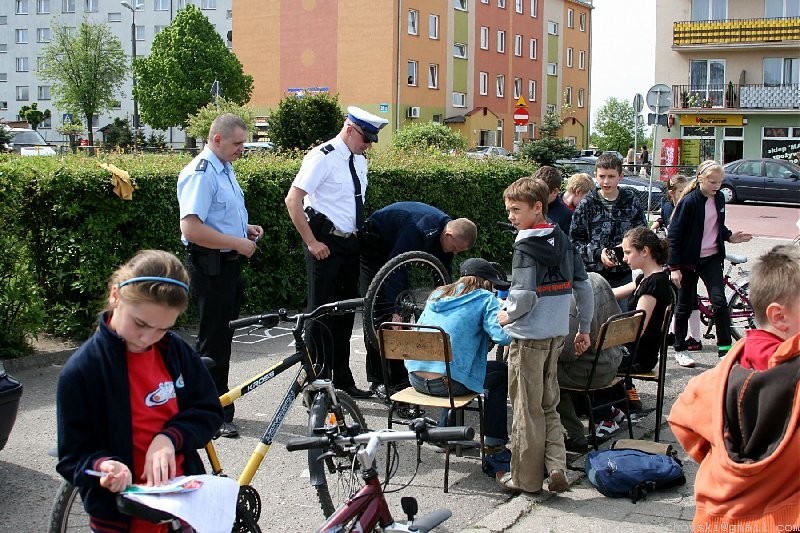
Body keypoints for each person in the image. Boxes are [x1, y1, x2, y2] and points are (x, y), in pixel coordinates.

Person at [56, 250, 224, 531]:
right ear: (115, 296)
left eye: (163, 329)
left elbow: (209, 411)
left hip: (180, 508)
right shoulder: (82, 371)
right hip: (119, 518)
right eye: (140, 324)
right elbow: (73, 455)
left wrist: (169, 438)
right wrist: (103, 465)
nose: (148, 338)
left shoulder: (174, 350)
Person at [668, 244, 800, 532]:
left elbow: (680, 419)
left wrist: (719, 452)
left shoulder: (718, 375)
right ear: (779, 316)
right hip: (784, 519)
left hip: (718, 518)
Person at [497, 176, 594, 494]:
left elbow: (524, 295)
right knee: (549, 405)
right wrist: (585, 327)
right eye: (509, 210)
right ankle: (556, 467)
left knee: (526, 411)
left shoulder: (524, 246)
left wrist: (507, 313)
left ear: (537, 207)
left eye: (516, 210)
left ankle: (525, 480)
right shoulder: (562, 238)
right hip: (556, 335)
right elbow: (584, 285)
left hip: (528, 339)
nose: (511, 216)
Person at [285, 106, 388, 399]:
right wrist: (310, 242)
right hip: (324, 242)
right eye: (366, 139)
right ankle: (315, 382)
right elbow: (293, 200)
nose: (368, 145)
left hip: (350, 243)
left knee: (343, 314)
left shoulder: (359, 160)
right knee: (319, 315)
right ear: (350, 129)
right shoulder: (322, 157)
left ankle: (341, 379)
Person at [177, 113, 264, 438]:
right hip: (210, 266)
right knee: (212, 344)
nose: (243, 148)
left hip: (226, 265)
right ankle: (209, 415)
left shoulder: (223, 168)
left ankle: (213, 406)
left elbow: (216, 217)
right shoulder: (202, 173)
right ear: (217, 139)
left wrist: (245, 229)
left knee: (220, 339)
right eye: (238, 143)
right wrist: (238, 243)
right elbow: (192, 228)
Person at [358, 201, 477, 398]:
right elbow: (394, 270)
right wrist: (395, 311)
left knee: (403, 314)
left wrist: (446, 304)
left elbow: (442, 273)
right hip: (375, 245)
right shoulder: (419, 228)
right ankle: (379, 380)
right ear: (448, 235)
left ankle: (400, 377)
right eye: (455, 248)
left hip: (398, 254)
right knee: (378, 313)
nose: (455, 253)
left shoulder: (446, 235)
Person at [405, 258, 512, 453]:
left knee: (451, 365)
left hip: (416, 378)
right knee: (500, 373)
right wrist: (508, 319)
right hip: (448, 383)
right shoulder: (485, 299)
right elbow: (502, 338)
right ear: (486, 282)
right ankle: (494, 442)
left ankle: (444, 434)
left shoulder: (437, 295)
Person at [668, 160, 752, 360]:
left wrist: (730, 236)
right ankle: (680, 349)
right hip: (688, 262)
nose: (717, 186)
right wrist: (674, 267)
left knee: (720, 303)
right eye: (712, 182)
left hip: (712, 258)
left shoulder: (719, 198)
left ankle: (724, 349)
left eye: (720, 182)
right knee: (684, 305)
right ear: (700, 179)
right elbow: (674, 235)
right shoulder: (689, 202)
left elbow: (717, 227)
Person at [557, 273, 624, 453]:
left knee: (541, 373)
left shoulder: (570, 294)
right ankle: (607, 411)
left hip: (592, 372)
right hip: (612, 362)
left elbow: (568, 353)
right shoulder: (597, 278)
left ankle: (574, 434)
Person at [570, 153, 647, 289]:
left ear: (620, 176)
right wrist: (598, 253)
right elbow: (574, 242)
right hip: (594, 273)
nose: (606, 181)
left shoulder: (631, 201)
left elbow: (643, 234)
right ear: (595, 176)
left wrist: (627, 248)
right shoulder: (587, 204)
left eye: (611, 176)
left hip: (625, 271)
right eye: (602, 176)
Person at [652, 175, 704, 357]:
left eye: (687, 190)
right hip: (673, 258)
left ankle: (695, 338)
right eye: (681, 191)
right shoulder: (668, 207)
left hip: (687, 259)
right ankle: (674, 333)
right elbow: (664, 219)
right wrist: (658, 222)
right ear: (671, 193)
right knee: (676, 299)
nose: (685, 193)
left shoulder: (690, 206)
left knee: (689, 299)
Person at [536, 166, 572, 235]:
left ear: (555, 191)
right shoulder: (530, 208)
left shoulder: (566, 216)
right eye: (534, 192)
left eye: (541, 193)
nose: (536, 196)